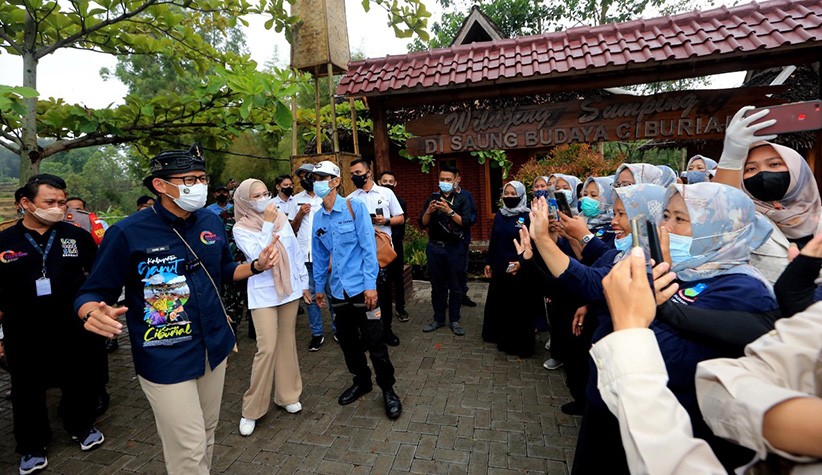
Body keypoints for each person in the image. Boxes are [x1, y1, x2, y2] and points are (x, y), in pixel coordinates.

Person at [75, 145, 281, 474]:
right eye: (189, 179)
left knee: (206, 434)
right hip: (164, 355)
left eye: (202, 178)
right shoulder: (127, 233)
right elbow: (93, 291)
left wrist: (257, 266)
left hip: (213, 347)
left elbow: (225, 270)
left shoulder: (210, 221)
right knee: (188, 445)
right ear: (160, 185)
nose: (198, 185)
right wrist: (90, 311)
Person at [595, 247, 822, 474]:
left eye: (680, 219)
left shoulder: (743, 288)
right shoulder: (689, 273)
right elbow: (719, 385)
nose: (668, 227)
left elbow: (674, 460)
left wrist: (632, 329)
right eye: (666, 216)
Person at [0, 174, 106, 475]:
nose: (58, 208)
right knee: (26, 389)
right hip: (24, 330)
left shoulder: (76, 237)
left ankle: (82, 426)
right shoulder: (5, 241)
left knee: (79, 380)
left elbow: (97, 276)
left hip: (72, 326)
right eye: (50, 202)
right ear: (26, 203)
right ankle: (32, 446)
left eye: (62, 202)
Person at [309, 160, 402, 419]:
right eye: (315, 177)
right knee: (349, 344)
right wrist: (318, 289)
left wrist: (371, 286)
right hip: (338, 292)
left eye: (322, 177)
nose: (317, 181)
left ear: (335, 181)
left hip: (363, 289)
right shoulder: (318, 218)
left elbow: (368, 248)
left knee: (376, 343)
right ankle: (362, 381)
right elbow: (319, 257)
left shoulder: (355, 207)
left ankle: (388, 390)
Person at [232, 178, 310, 436]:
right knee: (266, 348)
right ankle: (252, 409)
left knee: (287, 341)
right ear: (244, 200)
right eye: (257, 195)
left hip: (289, 290)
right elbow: (259, 256)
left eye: (265, 193)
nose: (264, 198)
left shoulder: (281, 219)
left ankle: (287, 395)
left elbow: (295, 251)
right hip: (264, 293)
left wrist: (305, 283)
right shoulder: (241, 228)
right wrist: (266, 222)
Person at [714, 106, 822, 282]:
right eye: (751, 168)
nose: (762, 173)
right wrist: (731, 156)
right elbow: (719, 210)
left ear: (798, 172)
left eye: (774, 165)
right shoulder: (746, 219)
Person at [481, 181, 544, 358]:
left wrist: (522, 263)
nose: (509, 197)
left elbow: (533, 244)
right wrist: (489, 262)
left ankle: (519, 344)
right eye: (506, 193)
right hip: (500, 266)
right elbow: (494, 240)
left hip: (520, 267)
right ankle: (499, 337)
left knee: (518, 307)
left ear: (521, 195)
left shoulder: (528, 215)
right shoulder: (500, 215)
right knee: (500, 304)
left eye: (513, 193)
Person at [348, 158, 405, 346]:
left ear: (368, 172)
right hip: (362, 256)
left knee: (384, 294)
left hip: (383, 254)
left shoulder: (386, 193)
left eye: (358, 173)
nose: (354, 177)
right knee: (366, 296)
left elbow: (400, 218)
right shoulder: (351, 199)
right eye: (352, 174)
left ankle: (386, 330)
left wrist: (385, 221)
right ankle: (369, 333)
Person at [420, 166, 475, 336]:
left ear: (456, 180)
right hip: (435, 247)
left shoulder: (462, 199)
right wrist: (429, 211)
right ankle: (438, 319)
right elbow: (422, 222)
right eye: (442, 179)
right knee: (437, 286)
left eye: (448, 180)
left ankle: (455, 320)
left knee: (456, 286)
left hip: (455, 249)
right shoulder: (433, 198)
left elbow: (467, 222)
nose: (444, 183)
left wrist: (449, 211)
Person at [290, 163, 336, 351]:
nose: (304, 180)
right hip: (305, 257)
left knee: (333, 295)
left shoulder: (326, 196)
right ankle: (317, 334)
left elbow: (333, 227)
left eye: (308, 175)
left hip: (325, 257)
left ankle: (338, 329)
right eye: (301, 177)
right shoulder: (296, 200)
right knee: (309, 299)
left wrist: (333, 255)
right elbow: (292, 228)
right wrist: (300, 214)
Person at [377, 170, 410, 322]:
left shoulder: (401, 202)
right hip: (379, 245)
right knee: (383, 278)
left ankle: (400, 308)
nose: (388, 184)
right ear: (379, 182)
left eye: (391, 182)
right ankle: (382, 309)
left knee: (398, 277)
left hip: (395, 244)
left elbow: (400, 224)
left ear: (395, 183)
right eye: (385, 181)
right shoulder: (375, 200)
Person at [455, 172, 478, 307]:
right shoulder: (440, 196)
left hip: (463, 239)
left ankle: (463, 294)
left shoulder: (466, 195)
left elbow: (473, 214)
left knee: (462, 269)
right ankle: (448, 297)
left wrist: (467, 221)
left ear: (458, 178)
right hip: (446, 241)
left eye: (454, 178)